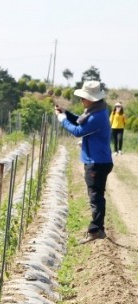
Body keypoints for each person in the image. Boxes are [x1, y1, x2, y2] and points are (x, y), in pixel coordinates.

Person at [55, 80, 113, 244]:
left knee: (95, 197)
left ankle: (95, 230)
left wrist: (61, 119)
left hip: (97, 162)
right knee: (97, 196)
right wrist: (66, 113)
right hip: (100, 160)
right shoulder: (96, 111)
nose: (82, 101)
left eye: (83, 98)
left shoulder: (96, 116)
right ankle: (99, 228)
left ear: (92, 99)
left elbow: (78, 131)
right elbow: (80, 120)